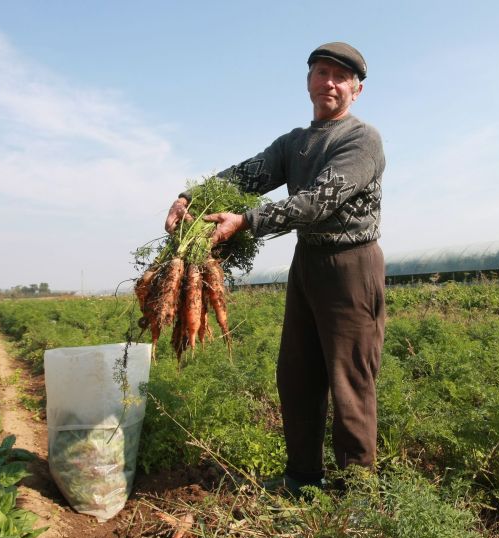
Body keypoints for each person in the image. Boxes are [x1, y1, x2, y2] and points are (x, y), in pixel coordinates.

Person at [165, 42, 386, 493]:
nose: (329, 82)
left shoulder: (361, 140)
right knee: (297, 374)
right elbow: (245, 175)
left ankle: (356, 494)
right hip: (307, 263)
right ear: (308, 82)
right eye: (321, 72)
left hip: (351, 265)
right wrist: (190, 197)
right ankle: (302, 478)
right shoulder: (295, 143)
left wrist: (247, 221)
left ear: (356, 89)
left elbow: (317, 201)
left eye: (340, 77)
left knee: (349, 380)